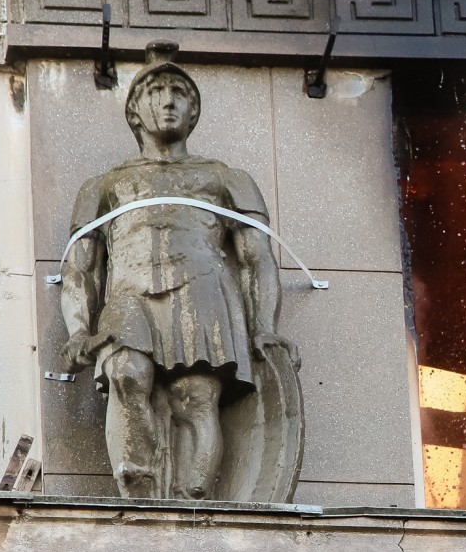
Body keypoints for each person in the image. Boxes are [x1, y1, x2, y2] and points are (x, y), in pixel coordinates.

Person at [59, 41, 298, 500]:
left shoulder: (228, 178)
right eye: (155, 92)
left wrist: (265, 325)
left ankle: (191, 505)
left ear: (193, 111)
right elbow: (80, 267)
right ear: (135, 113)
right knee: (127, 373)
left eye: (178, 93)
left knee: (196, 398)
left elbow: (256, 259)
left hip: (202, 289)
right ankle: (140, 483)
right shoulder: (104, 185)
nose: (167, 101)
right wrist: (75, 329)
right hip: (129, 293)